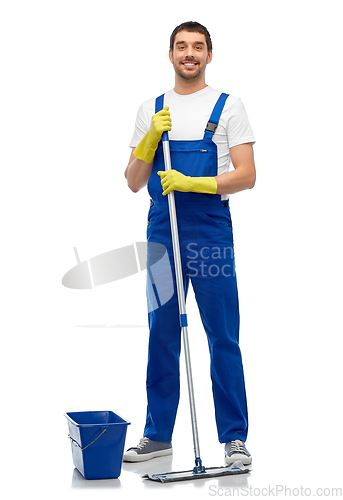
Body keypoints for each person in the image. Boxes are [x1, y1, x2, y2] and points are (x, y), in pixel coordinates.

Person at [123, 21, 256, 466]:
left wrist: (192, 182)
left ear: (209, 55)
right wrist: (148, 139)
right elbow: (132, 181)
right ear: (171, 54)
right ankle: (157, 436)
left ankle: (234, 439)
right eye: (182, 46)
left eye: (198, 47)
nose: (189, 54)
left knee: (222, 334)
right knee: (162, 331)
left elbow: (246, 175)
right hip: (163, 234)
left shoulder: (228, 105)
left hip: (210, 234)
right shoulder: (151, 109)